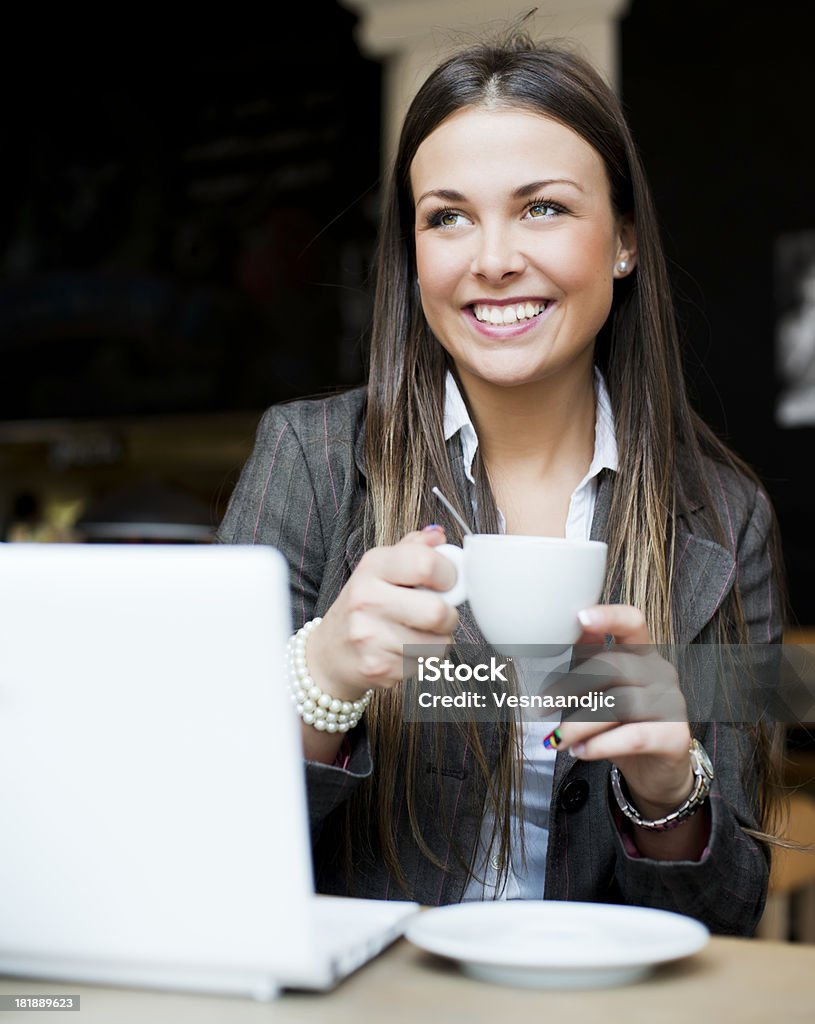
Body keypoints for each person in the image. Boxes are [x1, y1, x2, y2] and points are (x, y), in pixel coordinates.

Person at [218, 33, 786, 935]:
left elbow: (729, 910)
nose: (490, 259)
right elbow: (201, 830)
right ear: (413, 253)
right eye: (446, 216)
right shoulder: (309, 459)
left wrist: (668, 788)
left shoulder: (725, 519)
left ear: (625, 243)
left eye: (543, 209)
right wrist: (321, 678)